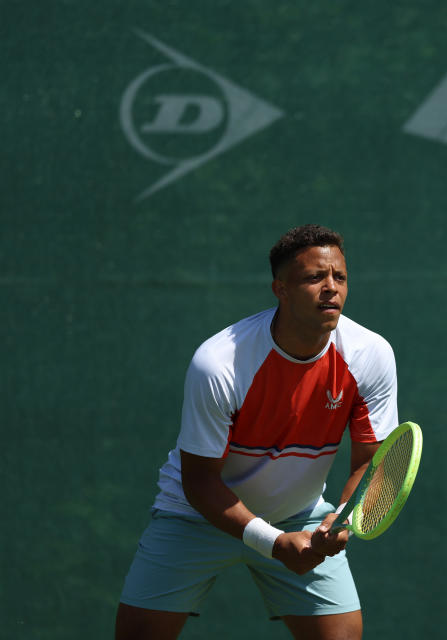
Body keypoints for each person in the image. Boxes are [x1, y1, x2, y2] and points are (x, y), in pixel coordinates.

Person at [115, 225, 398, 640]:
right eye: (314, 277)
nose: (330, 288)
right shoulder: (220, 362)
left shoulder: (370, 354)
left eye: (339, 277)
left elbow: (371, 462)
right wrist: (273, 541)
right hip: (195, 515)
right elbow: (199, 482)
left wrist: (343, 520)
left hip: (301, 517)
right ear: (280, 289)